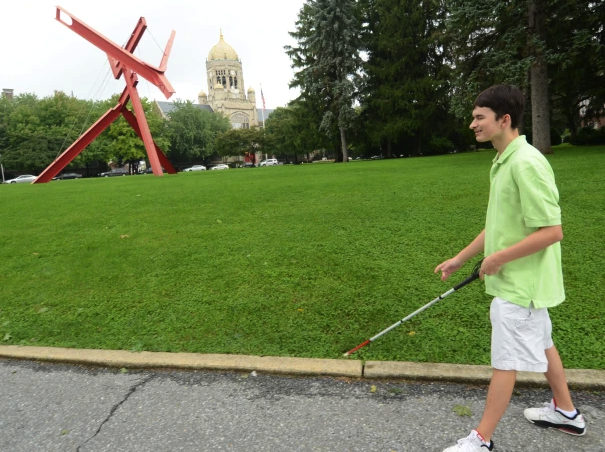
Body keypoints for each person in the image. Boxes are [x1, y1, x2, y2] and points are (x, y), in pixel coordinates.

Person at [435, 84, 586, 452]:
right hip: (522, 281)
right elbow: (500, 225)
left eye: (479, 117)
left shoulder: (526, 162)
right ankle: (566, 412)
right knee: (544, 343)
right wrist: (462, 257)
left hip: (522, 285)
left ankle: (481, 440)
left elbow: (553, 231)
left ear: (504, 120)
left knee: (505, 361)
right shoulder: (504, 160)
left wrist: (499, 258)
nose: (472, 124)